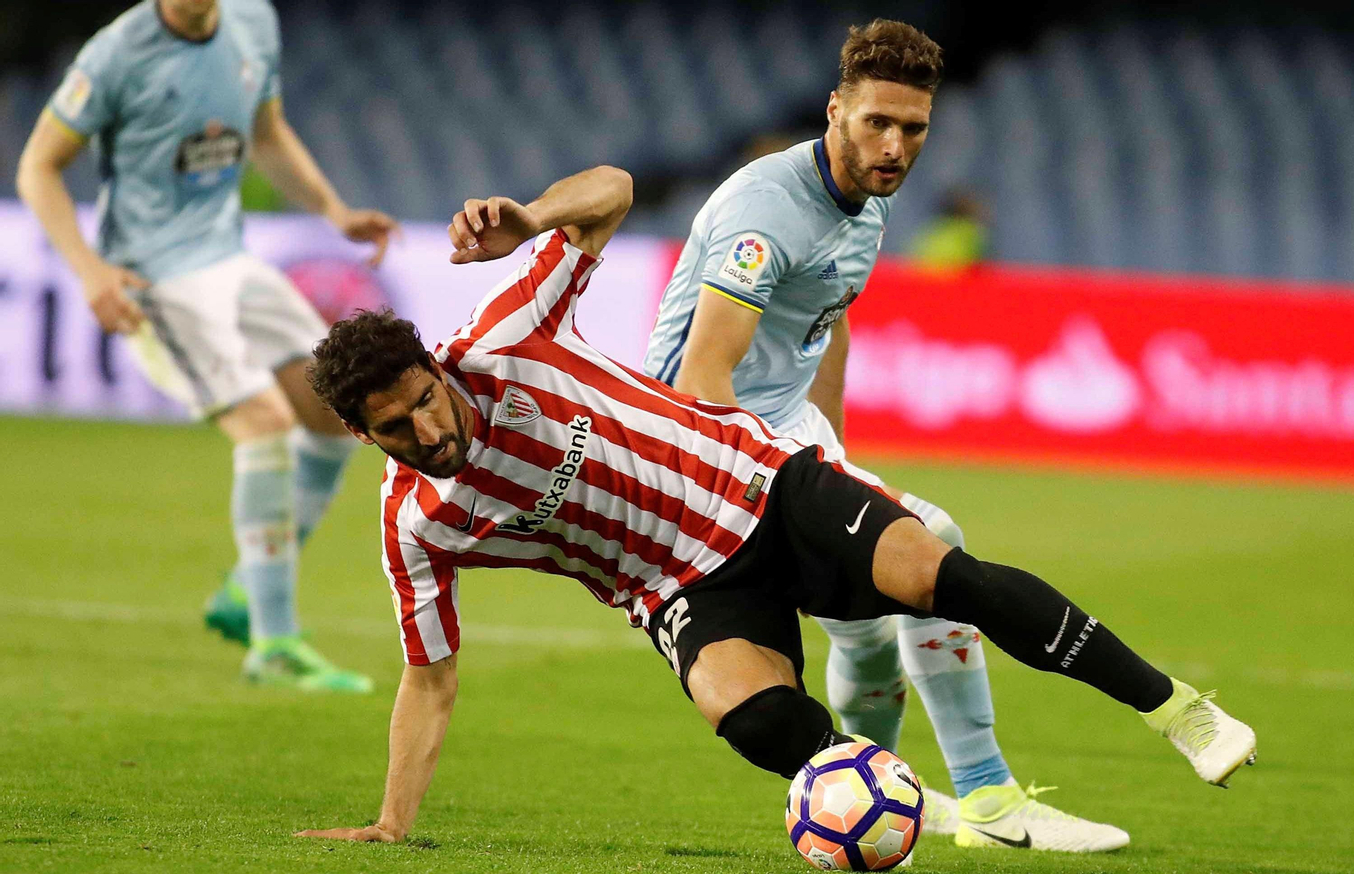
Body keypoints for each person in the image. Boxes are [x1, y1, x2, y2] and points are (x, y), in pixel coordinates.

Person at [293, 169, 1256, 845]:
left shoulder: (501, 335)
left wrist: (531, 213)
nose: (427, 430)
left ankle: (1179, 712)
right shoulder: (417, 522)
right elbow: (428, 679)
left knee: (937, 574)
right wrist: (390, 823)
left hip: (757, 484)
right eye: (396, 429)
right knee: (744, 716)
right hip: (679, 587)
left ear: (432, 367)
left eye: (424, 399)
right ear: (366, 437)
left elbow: (614, 192)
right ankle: (915, 807)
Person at [641, 18, 1112, 851]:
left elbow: (830, 321)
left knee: (867, 635)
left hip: (793, 431)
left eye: (914, 128)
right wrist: (788, 485)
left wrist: (841, 464)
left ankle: (870, 797)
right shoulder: (765, 207)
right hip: (711, 447)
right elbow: (698, 377)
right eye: (877, 124)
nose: (895, 145)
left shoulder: (863, 205)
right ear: (834, 111)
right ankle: (984, 797)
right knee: (936, 545)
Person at [14, 0, 396, 691]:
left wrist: (333, 210)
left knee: (338, 413)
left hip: (229, 259)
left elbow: (268, 132)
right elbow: (38, 167)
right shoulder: (117, 52)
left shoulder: (254, 23)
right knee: (264, 423)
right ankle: (273, 644)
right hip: (155, 277)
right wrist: (91, 271)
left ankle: (247, 589)